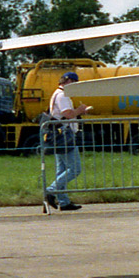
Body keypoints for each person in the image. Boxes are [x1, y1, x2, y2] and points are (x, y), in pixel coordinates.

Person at [45, 71, 92, 211]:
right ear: (69, 81)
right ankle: (50, 191)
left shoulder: (57, 94)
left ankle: (63, 202)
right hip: (65, 136)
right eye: (75, 83)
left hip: (58, 135)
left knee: (62, 170)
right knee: (75, 169)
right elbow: (68, 114)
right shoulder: (63, 95)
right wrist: (80, 110)